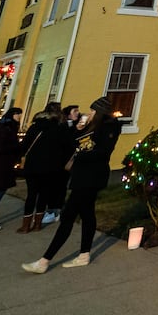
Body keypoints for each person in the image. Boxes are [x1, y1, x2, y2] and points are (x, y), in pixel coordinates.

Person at [22, 97, 122, 273]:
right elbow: (72, 143)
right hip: (82, 176)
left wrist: (79, 156)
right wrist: (77, 129)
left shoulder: (109, 128)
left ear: (99, 113)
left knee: (68, 216)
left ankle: (45, 260)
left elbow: (102, 153)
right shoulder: (90, 128)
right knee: (87, 214)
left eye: (92, 111)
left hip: (91, 177)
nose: (89, 114)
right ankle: (84, 255)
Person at [16, 105, 73, 233]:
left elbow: (24, 145)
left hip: (33, 166)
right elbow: (67, 147)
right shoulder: (59, 129)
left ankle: (25, 226)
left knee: (31, 194)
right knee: (43, 194)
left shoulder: (34, 127)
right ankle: (37, 224)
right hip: (50, 168)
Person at [42, 104, 81, 225]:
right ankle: (52, 210)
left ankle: (57, 210)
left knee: (63, 186)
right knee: (55, 186)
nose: (77, 113)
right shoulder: (62, 127)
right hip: (59, 162)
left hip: (70, 161)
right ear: (68, 114)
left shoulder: (78, 126)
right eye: (75, 111)